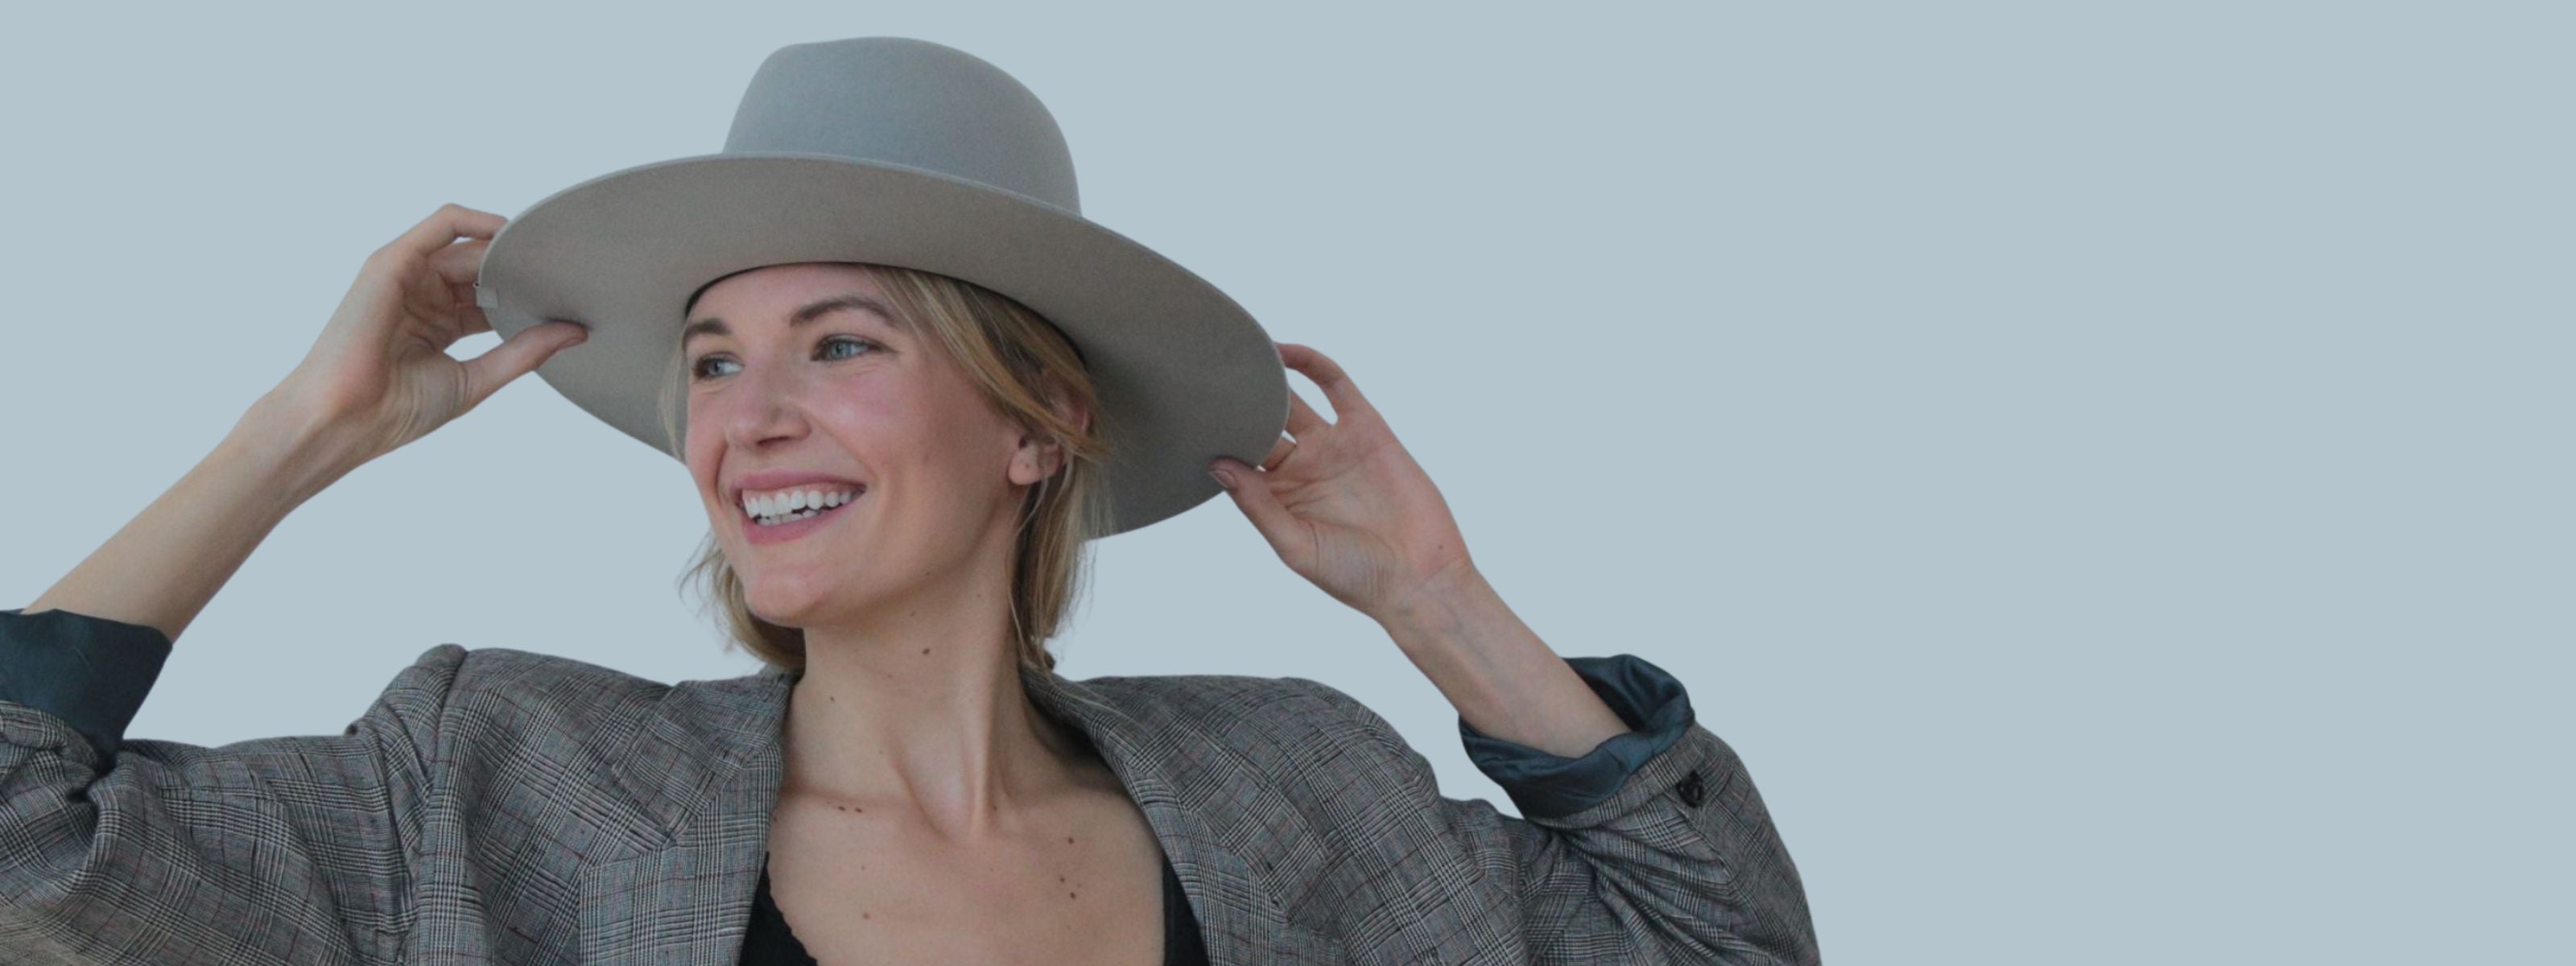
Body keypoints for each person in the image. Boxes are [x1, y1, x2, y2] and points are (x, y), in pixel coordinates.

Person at [0, 37, 1818, 965]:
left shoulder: (1301, 783)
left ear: (1035, 420)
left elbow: (1715, 947)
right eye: (711, 359)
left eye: (839, 344)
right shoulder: (501, 780)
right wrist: (293, 438)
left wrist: (1438, 605)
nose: (747, 417)